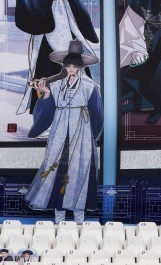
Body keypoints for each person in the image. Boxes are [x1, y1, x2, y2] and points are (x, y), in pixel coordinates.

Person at [2, 0, 99, 113]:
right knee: (72, 59)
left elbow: (37, 2)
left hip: (51, 21)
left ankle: (46, 109)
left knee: (47, 61)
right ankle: (79, 104)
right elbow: (73, 0)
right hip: (67, 20)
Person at [25, 41, 104, 224]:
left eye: (75, 66)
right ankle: (59, 218)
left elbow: (97, 115)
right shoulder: (55, 86)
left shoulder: (90, 87)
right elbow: (47, 111)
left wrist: (91, 137)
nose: (71, 69)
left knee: (80, 172)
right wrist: (46, 94)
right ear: (64, 66)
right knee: (57, 171)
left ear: (80, 67)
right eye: (68, 66)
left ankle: (79, 218)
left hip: (82, 132)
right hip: (60, 131)